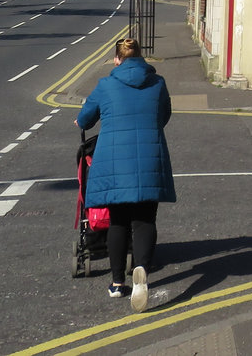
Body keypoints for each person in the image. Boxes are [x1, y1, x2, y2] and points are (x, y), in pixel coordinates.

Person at [75, 38, 175, 312]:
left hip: (114, 163)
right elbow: (163, 115)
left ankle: (118, 282)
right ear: (141, 57)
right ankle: (141, 268)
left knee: (118, 221)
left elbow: (85, 119)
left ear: (117, 60)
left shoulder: (106, 85)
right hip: (149, 159)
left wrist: (82, 119)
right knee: (144, 220)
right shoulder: (158, 83)